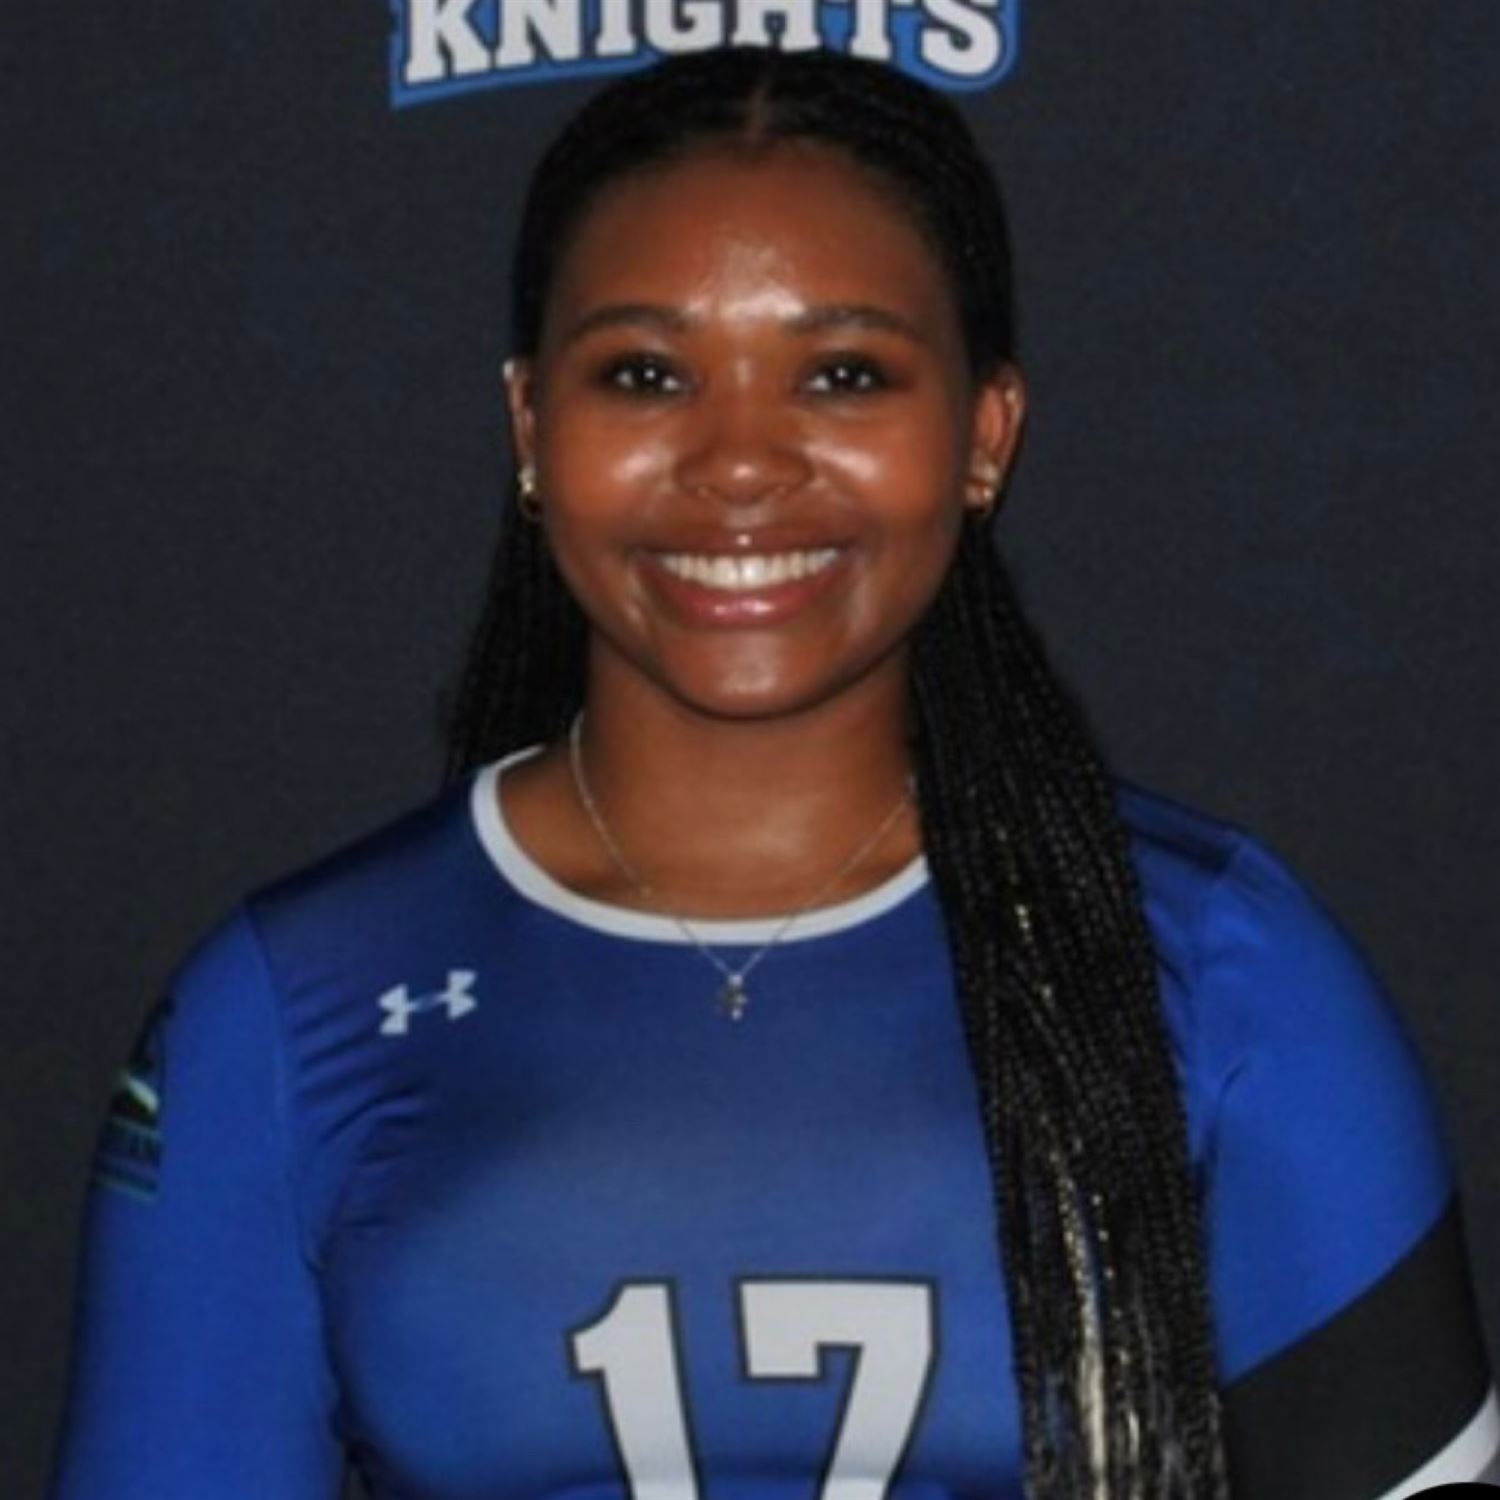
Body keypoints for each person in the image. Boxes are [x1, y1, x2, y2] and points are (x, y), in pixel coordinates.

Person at [48, 44, 1496, 1500]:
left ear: (985, 433)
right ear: (531, 427)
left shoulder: (1223, 975)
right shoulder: (292, 1009)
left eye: (844, 375)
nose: (740, 462)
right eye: (647, 375)